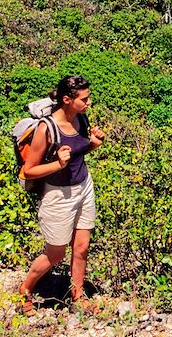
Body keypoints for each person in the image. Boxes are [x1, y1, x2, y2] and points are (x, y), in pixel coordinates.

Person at [17, 75, 106, 315]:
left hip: (84, 187)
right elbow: (29, 170)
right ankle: (25, 290)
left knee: (82, 246)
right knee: (56, 254)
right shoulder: (47, 128)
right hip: (58, 195)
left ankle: (77, 294)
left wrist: (94, 144)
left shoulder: (80, 118)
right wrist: (57, 164)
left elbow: (79, 151)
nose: (89, 103)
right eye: (84, 99)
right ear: (67, 99)